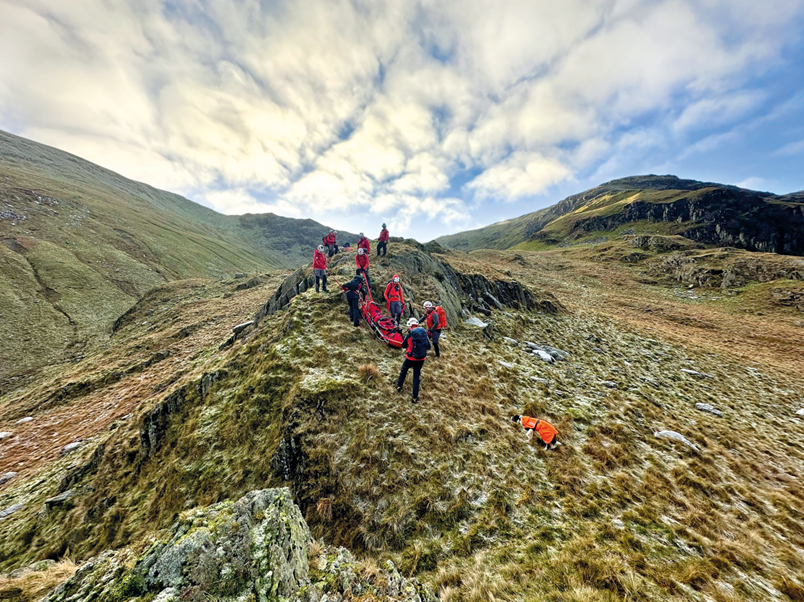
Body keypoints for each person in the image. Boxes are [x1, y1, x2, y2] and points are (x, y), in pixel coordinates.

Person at [396, 318, 430, 403]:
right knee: (416, 376)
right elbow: (428, 346)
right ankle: (415, 397)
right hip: (421, 359)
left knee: (404, 370)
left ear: (409, 325)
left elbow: (403, 345)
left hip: (410, 358)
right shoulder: (423, 333)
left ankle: (399, 386)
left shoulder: (410, 334)